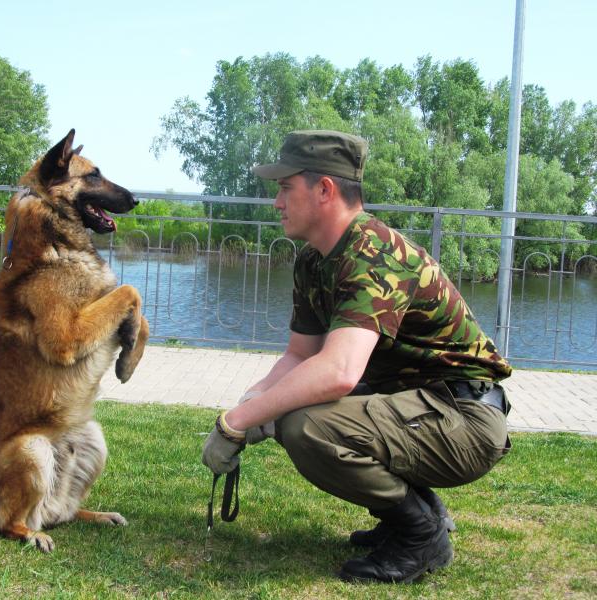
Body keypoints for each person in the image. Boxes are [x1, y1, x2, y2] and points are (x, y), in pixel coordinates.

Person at [201, 130, 512, 584]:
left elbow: (339, 372)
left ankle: (420, 532)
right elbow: (299, 356)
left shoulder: (374, 252)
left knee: (305, 424)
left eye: (286, 187)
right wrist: (251, 403)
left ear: (324, 189)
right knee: (291, 405)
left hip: (465, 417)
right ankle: (417, 515)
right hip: (419, 407)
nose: (276, 203)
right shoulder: (315, 260)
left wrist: (239, 422)